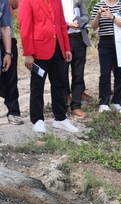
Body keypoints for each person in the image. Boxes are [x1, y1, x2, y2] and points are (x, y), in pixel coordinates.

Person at [18, 0, 79, 133]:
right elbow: (25, 27)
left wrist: (66, 48)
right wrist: (28, 53)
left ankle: (60, 118)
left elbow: (61, 24)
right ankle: (37, 119)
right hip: (39, 49)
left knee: (60, 83)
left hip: (58, 48)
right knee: (37, 86)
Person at [91, 0, 121, 113]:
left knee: (120, 72)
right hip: (105, 42)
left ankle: (116, 101)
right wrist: (98, 17)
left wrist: (112, 17)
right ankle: (103, 102)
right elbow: (93, 26)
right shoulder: (99, 5)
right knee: (105, 73)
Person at [63, 0, 91, 119]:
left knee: (78, 75)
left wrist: (79, 21)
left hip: (79, 39)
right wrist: (67, 24)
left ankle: (76, 107)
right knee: (61, 75)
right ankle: (62, 107)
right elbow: (52, 19)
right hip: (63, 39)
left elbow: (86, 16)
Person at [0, 0, 23, 125]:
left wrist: (8, 52)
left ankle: (13, 111)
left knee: (10, 77)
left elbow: (18, 4)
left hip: (6, 39)